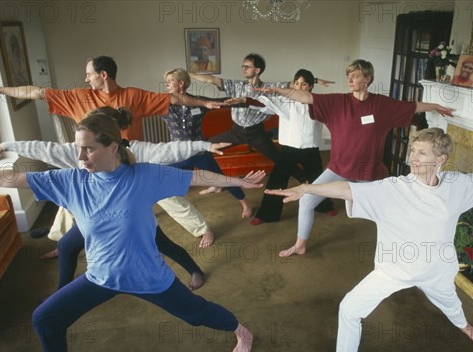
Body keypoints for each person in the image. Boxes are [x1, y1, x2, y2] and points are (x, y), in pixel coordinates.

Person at [0, 113, 263, 352]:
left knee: (197, 314)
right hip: (101, 276)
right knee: (46, 317)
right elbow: (10, 178)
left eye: (88, 149)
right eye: (78, 148)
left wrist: (237, 181)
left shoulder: (143, 176)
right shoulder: (71, 182)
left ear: (113, 147)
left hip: (148, 277)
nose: (80, 157)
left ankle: (241, 331)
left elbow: (197, 177)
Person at [266, 128, 473, 352]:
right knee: (349, 307)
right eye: (413, 151)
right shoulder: (394, 188)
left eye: (422, 153)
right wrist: (307, 189)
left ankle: (463, 325)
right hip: (394, 270)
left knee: (450, 302)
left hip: (437, 268)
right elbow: (347, 189)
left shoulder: (456, 184)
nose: (413, 158)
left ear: (441, 159)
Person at [0, 55, 218, 251]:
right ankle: (64, 244)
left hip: (130, 160)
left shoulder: (133, 96)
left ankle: (202, 229)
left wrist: (205, 104)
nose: (86, 78)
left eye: (89, 74)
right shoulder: (78, 97)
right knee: (70, 198)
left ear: (103, 74)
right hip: (92, 164)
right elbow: (36, 92)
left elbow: (174, 99)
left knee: (167, 194)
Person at [0, 106, 231, 291]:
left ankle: (195, 269)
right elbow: (42, 148)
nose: (83, 151)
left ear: (111, 139)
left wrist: (205, 146)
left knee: (162, 242)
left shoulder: (135, 150)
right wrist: (6, 145)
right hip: (95, 216)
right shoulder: (77, 153)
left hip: (132, 211)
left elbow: (170, 149)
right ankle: (62, 293)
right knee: (66, 245)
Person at [256, 59, 454, 257]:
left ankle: (405, 249)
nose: (350, 79)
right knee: (307, 201)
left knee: (388, 211)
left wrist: (435, 105)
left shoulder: (382, 105)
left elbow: (413, 106)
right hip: (338, 168)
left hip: (370, 172)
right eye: (349, 75)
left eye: (356, 75)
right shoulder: (337, 102)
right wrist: (275, 90)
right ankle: (300, 244)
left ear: (368, 79)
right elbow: (306, 96)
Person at [190, 53, 332, 181]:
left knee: (279, 159)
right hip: (236, 132)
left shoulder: (270, 88)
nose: (243, 69)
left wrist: (316, 80)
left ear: (257, 70)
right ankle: (217, 181)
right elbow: (211, 80)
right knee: (206, 146)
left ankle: (304, 179)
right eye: (243, 66)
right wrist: (189, 74)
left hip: (257, 133)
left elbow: (296, 84)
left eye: (247, 66)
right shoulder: (236, 86)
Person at [239, 68, 336, 224]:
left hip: (310, 149)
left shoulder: (318, 103)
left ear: (310, 86)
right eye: (296, 83)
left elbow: (335, 115)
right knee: (277, 181)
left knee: (318, 180)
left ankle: (324, 206)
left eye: (303, 84)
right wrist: (245, 100)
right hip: (289, 149)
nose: (298, 87)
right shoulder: (286, 101)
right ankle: (266, 214)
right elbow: (265, 103)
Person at [162, 68, 252, 218]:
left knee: (222, 178)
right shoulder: (163, 104)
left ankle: (245, 203)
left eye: (170, 81)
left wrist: (245, 101)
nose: (167, 84)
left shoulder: (199, 102)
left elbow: (221, 103)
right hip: (177, 154)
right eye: (166, 81)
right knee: (163, 181)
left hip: (200, 152)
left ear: (181, 83)